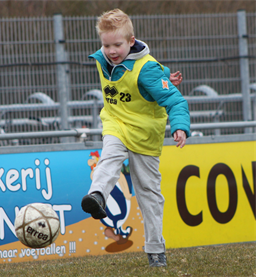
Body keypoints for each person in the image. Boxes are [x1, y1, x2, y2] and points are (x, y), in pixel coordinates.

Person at [81, 9, 191, 267]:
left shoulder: (147, 69)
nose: (111, 51)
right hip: (116, 124)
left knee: (149, 194)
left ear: (131, 41)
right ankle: (97, 196)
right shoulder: (103, 60)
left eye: (117, 44)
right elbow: (157, 70)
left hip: (144, 136)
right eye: (106, 45)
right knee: (108, 157)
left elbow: (174, 99)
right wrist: (165, 76)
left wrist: (179, 126)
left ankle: (155, 250)